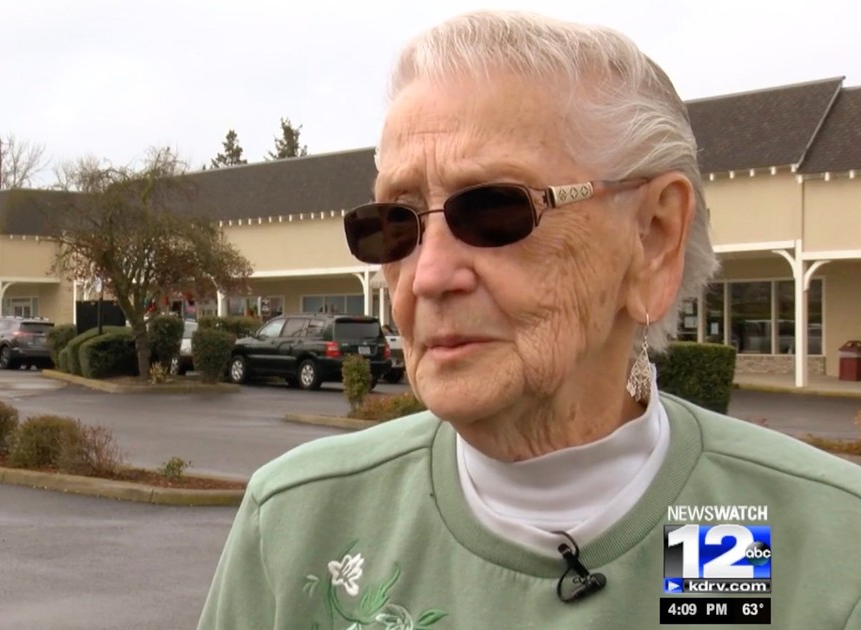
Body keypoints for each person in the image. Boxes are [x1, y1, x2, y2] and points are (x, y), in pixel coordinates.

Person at [198, 11, 861, 629]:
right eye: (395, 223)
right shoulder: (295, 522)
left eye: (494, 211)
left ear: (653, 237)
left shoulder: (825, 544)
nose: (428, 277)